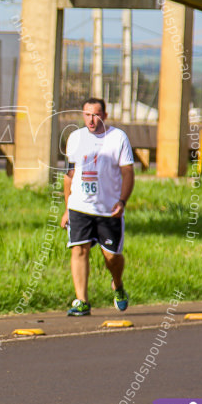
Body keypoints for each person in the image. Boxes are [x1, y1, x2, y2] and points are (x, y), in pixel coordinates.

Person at [60, 97, 135, 316]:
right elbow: (69, 175)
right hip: (80, 207)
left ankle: (118, 284)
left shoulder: (118, 138)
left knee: (111, 257)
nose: (91, 120)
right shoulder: (75, 137)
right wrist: (67, 208)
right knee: (79, 249)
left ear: (104, 115)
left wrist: (122, 201)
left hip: (108, 209)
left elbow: (128, 173)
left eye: (95, 115)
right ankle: (81, 300)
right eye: (87, 115)